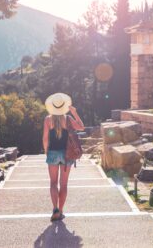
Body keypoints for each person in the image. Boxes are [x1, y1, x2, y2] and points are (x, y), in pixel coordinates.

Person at [43, 93, 84, 221]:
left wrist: (46, 151)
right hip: (67, 154)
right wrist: (75, 113)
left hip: (53, 153)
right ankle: (61, 211)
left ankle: (55, 209)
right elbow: (81, 126)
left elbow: (45, 138)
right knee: (64, 184)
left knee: (53, 183)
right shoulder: (67, 119)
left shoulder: (48, 119)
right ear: (64, 106)